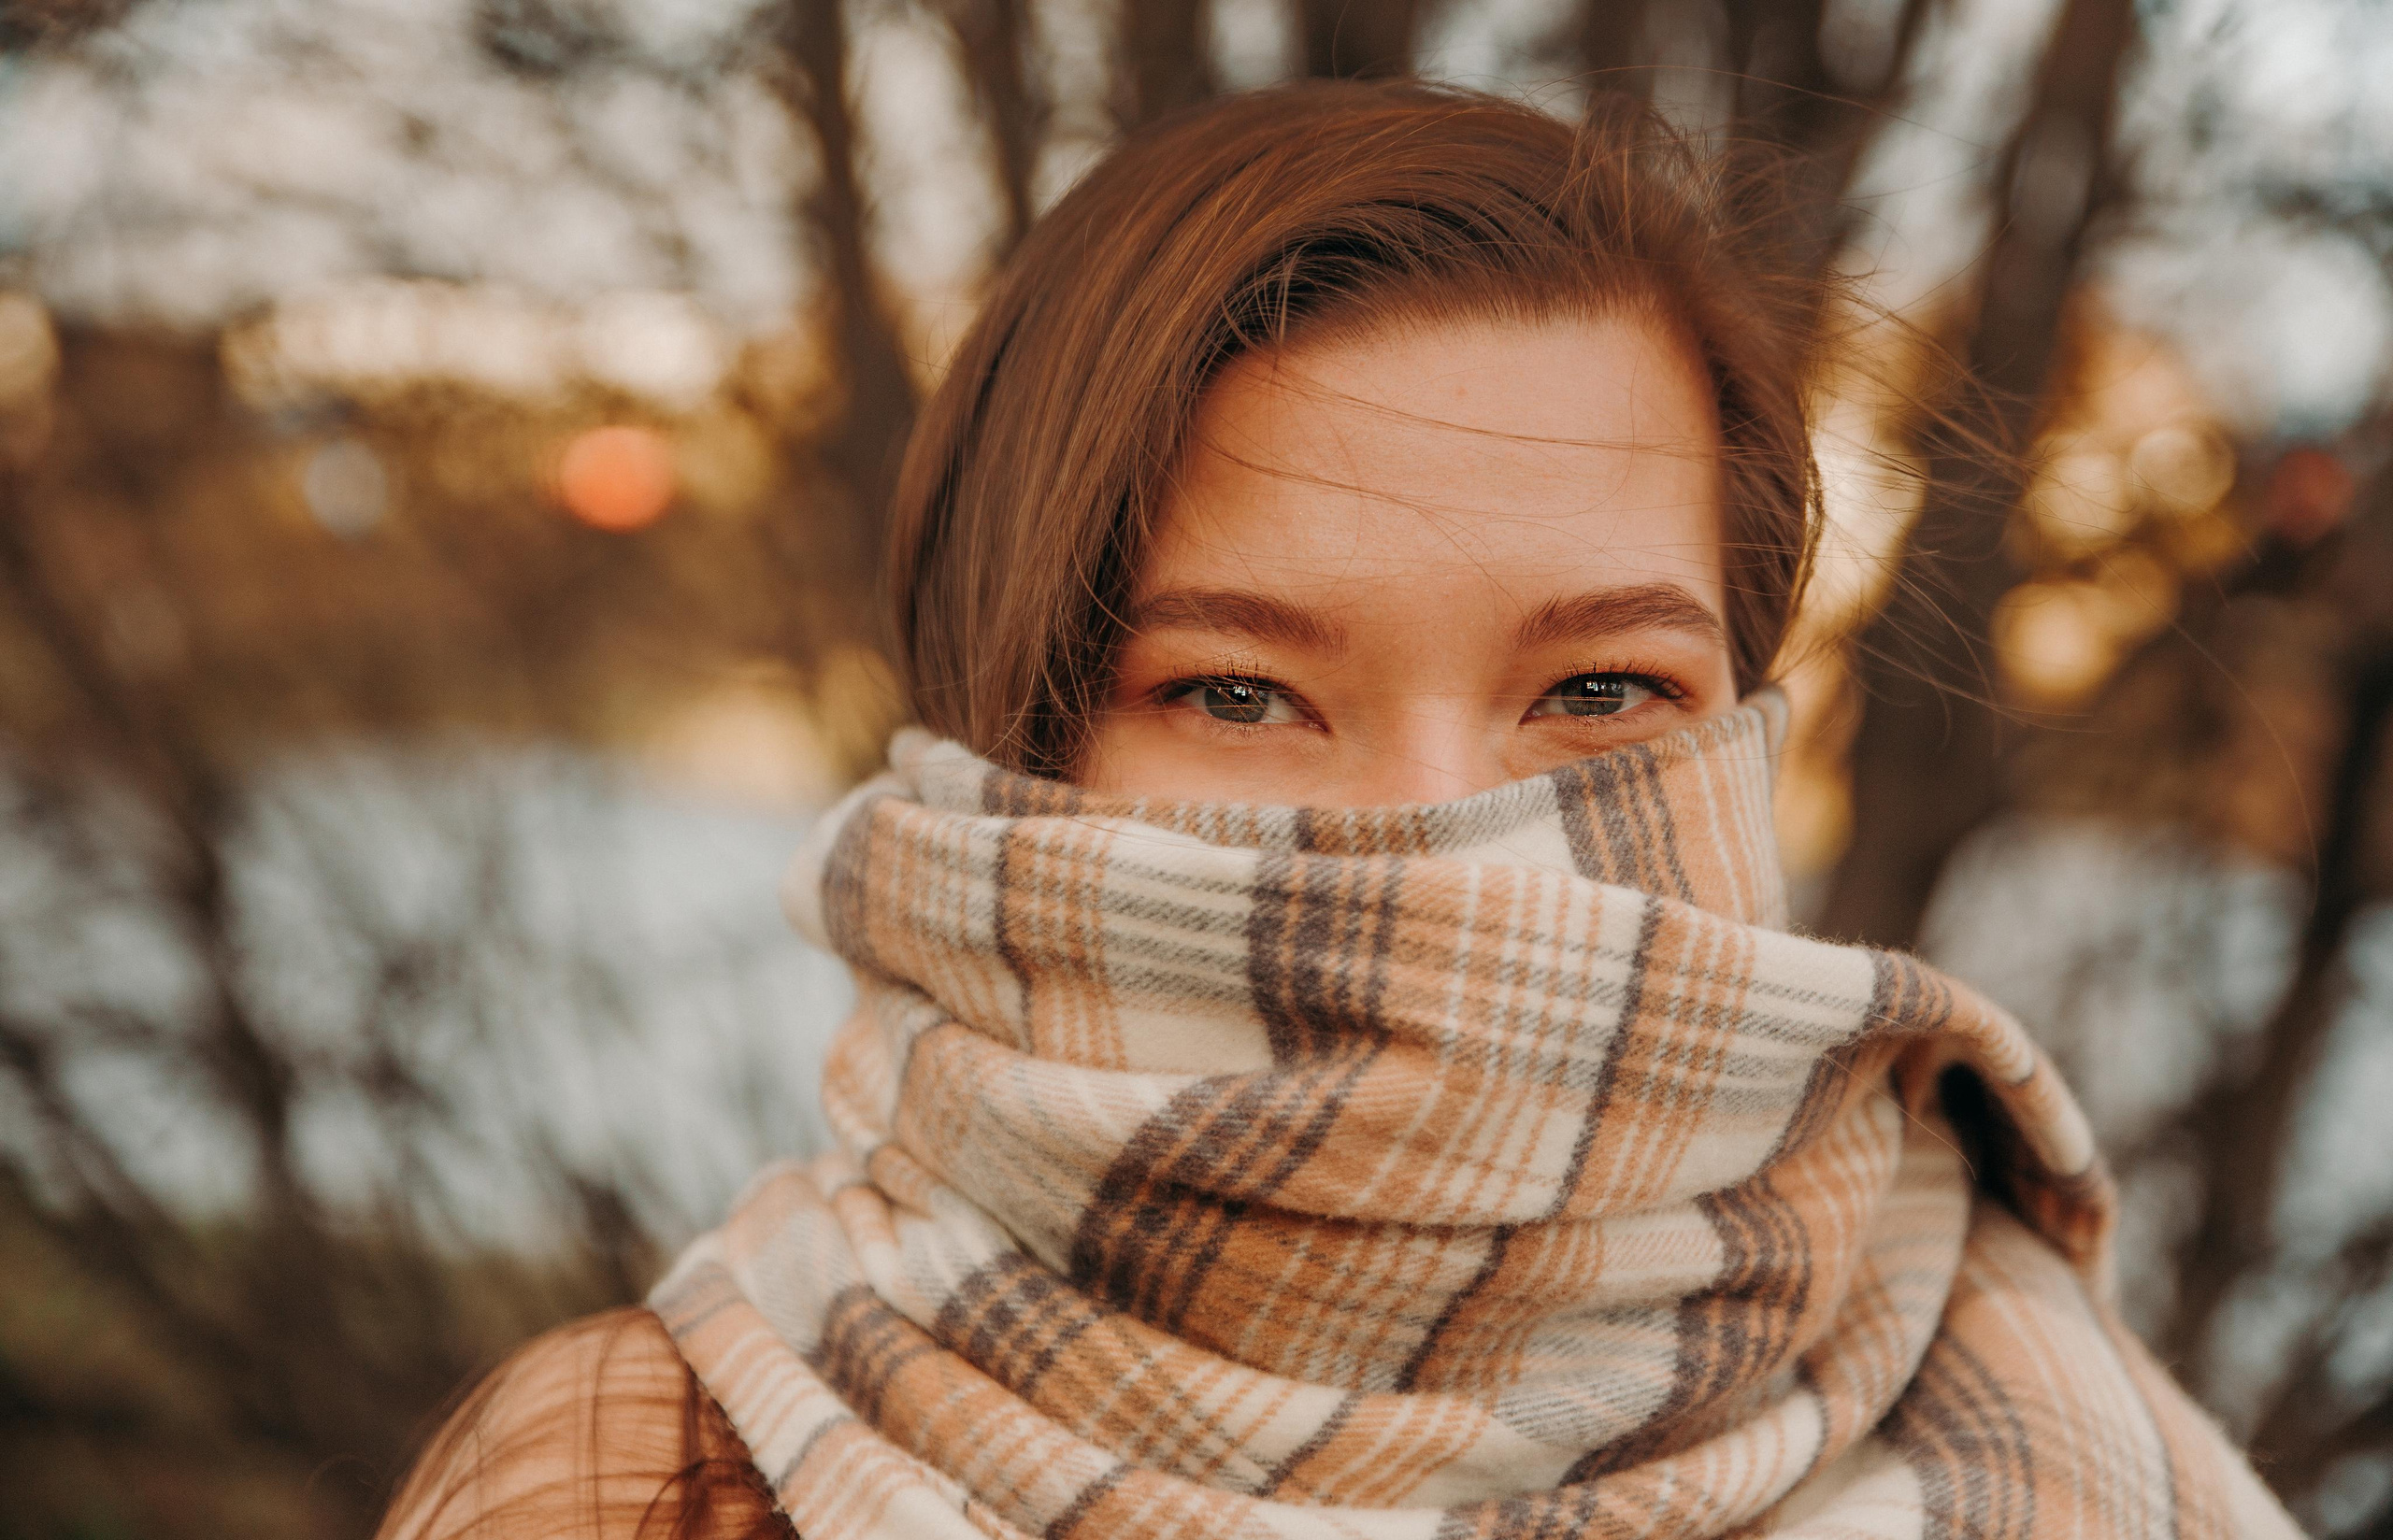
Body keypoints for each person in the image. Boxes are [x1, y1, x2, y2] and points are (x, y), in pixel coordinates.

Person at [381, 80, 2298, 1540]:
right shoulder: (645, 1479)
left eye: (1601, 690)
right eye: (1234, 690)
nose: (1440, 848)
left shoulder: (2054, 1460)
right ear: (1009, 768)